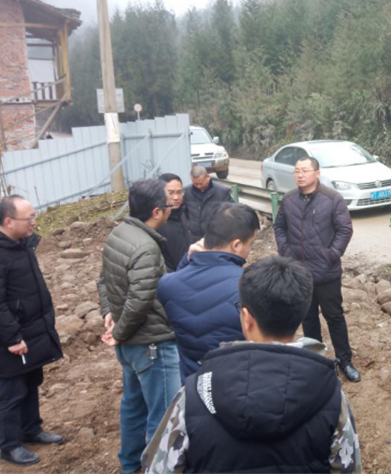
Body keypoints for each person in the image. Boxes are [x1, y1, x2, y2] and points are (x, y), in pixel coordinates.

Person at [142, 256, 363, 474]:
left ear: (246, 318)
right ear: (301, 315)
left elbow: (159, 468)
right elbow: (348, 467)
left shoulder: (194, 394)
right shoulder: (331, 395)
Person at [97, 179, 181, 474]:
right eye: (169, 204)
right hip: (151, 344)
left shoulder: (119, 232)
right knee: (164, 415)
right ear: (157, 212)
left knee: (133, 407)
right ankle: (157, 468)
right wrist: (118, 332)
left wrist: (109, 312)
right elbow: (140, 299)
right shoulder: (146, 247)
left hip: (131, 345)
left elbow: (104, 279)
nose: (172, 207)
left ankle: (131, 464)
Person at [0, 196, 64, 466]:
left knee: (31, 381)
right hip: (7, 339)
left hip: (31, 330)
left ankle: (31, 429)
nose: (34, 222)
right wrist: (13, 338)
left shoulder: (21, 244)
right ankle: (9, 446)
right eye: (29, 218)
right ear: (9, 221)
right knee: (11, 392)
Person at [273, 156, 360, 382]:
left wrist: (331, 254)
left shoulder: (332, 198)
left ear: (317, 173)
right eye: (296, 171)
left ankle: (345, 361)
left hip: (326, 272)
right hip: (299, 272)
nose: (300, 175)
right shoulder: (289, 199)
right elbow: (280, 226)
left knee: (335, 317)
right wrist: (286, 252)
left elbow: (344, 230)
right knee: (308, 318)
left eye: (305, 170)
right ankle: (315, 361)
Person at [158, 202, 260, 383]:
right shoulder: (249, 286)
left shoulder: (167, 285)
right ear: (236, 245)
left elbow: (179, 286)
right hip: (236, 384)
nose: (249, 250)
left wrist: (187, 260)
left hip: (192, 386)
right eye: (250, 244)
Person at [183, 165, 233, 243]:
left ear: (208, 177)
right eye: (195, 184)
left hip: (216, 238)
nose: (198, 186)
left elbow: (232, 211)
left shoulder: (222, 192)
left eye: (201, 183)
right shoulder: (186, 192)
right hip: (194, 239)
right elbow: (183, 212)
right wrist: (189, 226)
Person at [157, 173, 192, 272]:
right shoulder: (157, 222)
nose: (176, 197)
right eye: (171, 193)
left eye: (180, 192)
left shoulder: (183, 213)